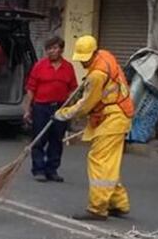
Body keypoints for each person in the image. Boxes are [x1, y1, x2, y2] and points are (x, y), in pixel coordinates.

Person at [55, 35, 134, 221]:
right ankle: (119, 203)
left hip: (112, 117)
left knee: (99, 160)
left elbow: (85, 106)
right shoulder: (105, 56)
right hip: (119, 115)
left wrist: (62, 114)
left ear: (93, 53)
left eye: (85, 59)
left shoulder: (97, 75)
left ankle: (97, 208)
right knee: (109, 162)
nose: (83, 63)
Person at [24, 36, 78, 182]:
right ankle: (39, 169)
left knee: (56, 139)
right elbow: (31, 89)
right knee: (39, 139)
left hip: (60, 108)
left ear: (61, 50)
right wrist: (28, 109)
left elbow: (73, 89)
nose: (51, 52)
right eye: (49, 49)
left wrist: (72, 108)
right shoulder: (40, 66)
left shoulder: (68, 67)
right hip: (41, 107)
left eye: (54, 48)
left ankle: (52, 170)